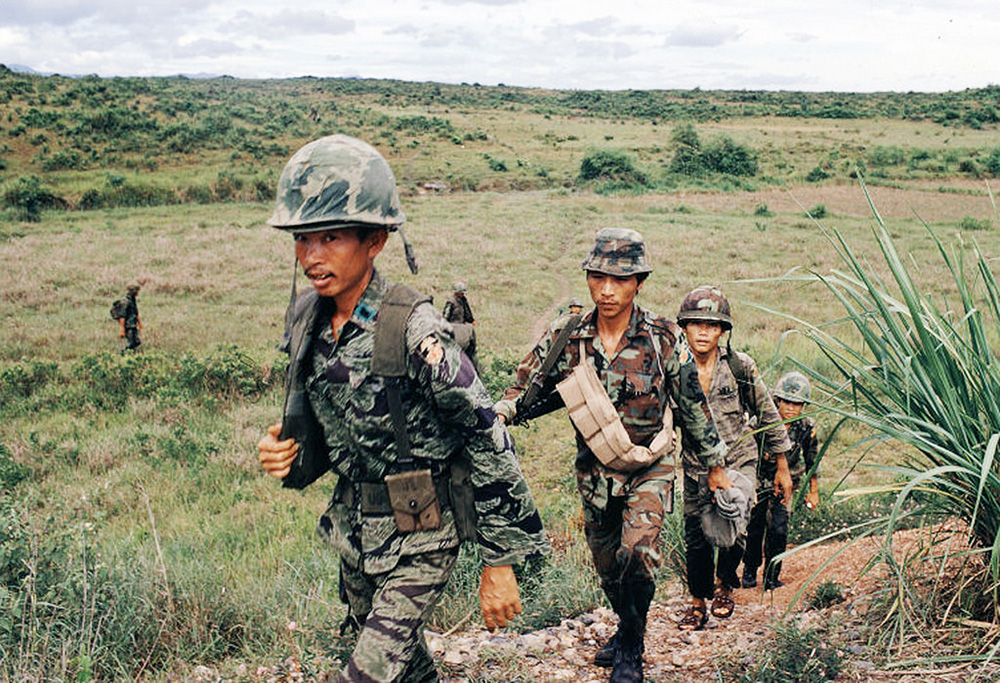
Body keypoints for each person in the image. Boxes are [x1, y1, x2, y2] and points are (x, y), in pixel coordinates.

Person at [256, 134, 548, 683]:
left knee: (365, 675)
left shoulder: (413, 329)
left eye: (331, 237)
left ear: (376, 241)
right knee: (407, 668)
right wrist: (287, 453)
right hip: (357, 530)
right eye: (302, 238)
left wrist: (500, 559)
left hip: (422, 528)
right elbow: (326, 426)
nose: (312, 255)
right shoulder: (307, 320)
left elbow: (486, 435)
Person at [495, 228, 726, 683]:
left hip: (650, 466)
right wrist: (502, 411)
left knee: (638, 554)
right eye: (597, 277)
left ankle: (632, 649)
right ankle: (627, 624)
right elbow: (527, 384)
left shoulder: (662, 337)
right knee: (608, 567)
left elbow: (692, 406)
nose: (606, 289)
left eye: (619, 280)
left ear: (639, 281)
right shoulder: (569, 337)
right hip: (595, 473)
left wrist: (715, 465)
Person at [675, 285, 793, 630]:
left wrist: (782, 465)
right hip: (696, 466)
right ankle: (697, 602)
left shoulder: (740, 367)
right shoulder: (674, 371)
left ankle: (725, 584)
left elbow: (768, 414)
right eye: (696, 324)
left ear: (722, 331)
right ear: (685, 327)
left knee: (735, 526)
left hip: (739, 459)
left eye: (711, 326)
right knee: (695, 536)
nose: (703, 332)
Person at [742, 371, 820, 590]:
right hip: (759, 480)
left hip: (787, 483)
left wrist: (813, 490)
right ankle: (749, 568)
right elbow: (746, 454)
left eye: (797, 404)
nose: (791, 408)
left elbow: (813, 460)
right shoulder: (760, 423)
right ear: (777, 400)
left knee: (779, 528)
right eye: (786, 401)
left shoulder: (806, 427)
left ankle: (771, 576)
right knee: (754, 526)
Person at [116, 284, 142, 353]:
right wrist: (122, 329)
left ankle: (131, 354)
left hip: (133, 325)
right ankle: (121, 354)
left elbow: (136, 313)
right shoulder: (125, 302)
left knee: (136, 342)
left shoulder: (133, 300)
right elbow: (122, 316)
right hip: (128, 326)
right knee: (130, 343)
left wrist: (139, 324)